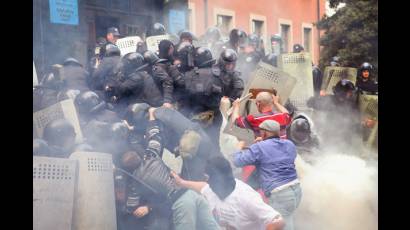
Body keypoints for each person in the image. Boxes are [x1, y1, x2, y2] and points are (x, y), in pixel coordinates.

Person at [122, 107, 220, 230]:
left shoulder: (135, 181)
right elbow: (154, 136)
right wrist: (150, 118)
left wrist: (128, 211)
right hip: (192, 194)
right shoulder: (151, 155)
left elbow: (131, 206)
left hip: (181, 202)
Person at [171, 156, 285, 230]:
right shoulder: (213, 189)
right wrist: (181, 182)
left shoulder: (246, 197)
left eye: (207, 177)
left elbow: (278, 221)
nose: (206, 181)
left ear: (216, 178)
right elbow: (202, 187)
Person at [233, 120, 302, 230]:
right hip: (296, 190)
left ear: (264, 133)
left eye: (261, 132)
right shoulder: (289, 144)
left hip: (280, 194)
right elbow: (274, 155)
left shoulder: (260, 147)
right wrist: (262, 144)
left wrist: (238, 148)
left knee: (280, 225)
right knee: (288, 220)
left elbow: (238, 161)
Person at [154, 107, 222, 181]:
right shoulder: (164, 116)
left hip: (204, 121)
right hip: (192, 125)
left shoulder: (164, 115)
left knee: (206, 156)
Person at [183, 47, 224, 150]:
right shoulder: (218, 74)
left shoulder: (188, 75)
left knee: (196, 146)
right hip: (214, 116)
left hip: (195, 117)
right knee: (214, 145)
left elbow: (185, 97)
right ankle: (215, 163)